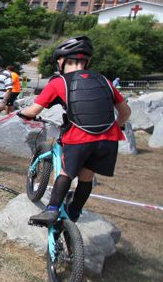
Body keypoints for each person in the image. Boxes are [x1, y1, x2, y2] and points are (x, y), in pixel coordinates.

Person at [19, 36, 131, 226]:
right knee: (87, 177)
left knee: (66, 172)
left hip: (79, 136)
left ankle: (52, 210)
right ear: (87, 62)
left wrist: (22, 112)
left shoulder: (59, 82)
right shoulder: (104, 80)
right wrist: (118, 125)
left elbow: (34, 110)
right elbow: (125, 112)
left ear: (62, 61)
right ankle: (74, 213)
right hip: (108, 139)